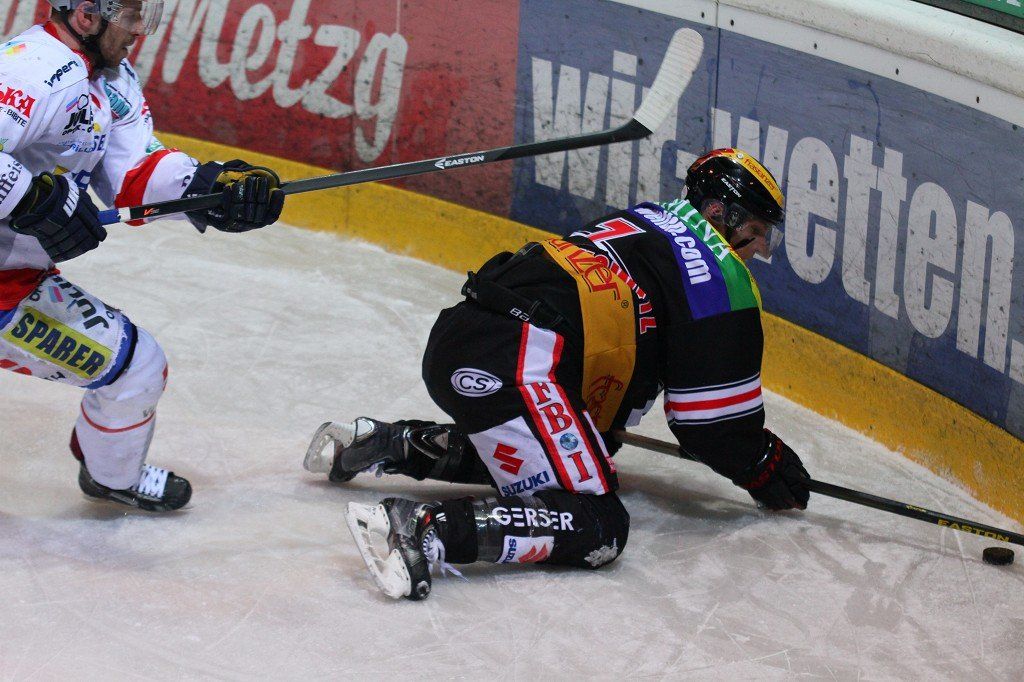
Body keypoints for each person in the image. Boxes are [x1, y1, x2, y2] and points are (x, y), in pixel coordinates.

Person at [304, 148, 811, 600]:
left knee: (578, 451)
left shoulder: (644, 221)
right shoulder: (720, 274)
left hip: (462, 337)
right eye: (757, 232)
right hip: (522, 362)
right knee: (598, 522)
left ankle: (388, 443)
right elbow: (710, 426)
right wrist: (763, 464)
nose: (757, 249)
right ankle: (425, 527)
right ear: (721, 214)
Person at [0, 0, 285, 512]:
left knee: (139, 367)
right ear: (86, 15)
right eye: (132, 16)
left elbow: (131, 175)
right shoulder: (32, 71)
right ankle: (113, 476)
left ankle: (112, 475)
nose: (140, 30)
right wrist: (27, 197)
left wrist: (209, 190)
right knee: (136, 369)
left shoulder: (112, 78)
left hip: (13, 281)